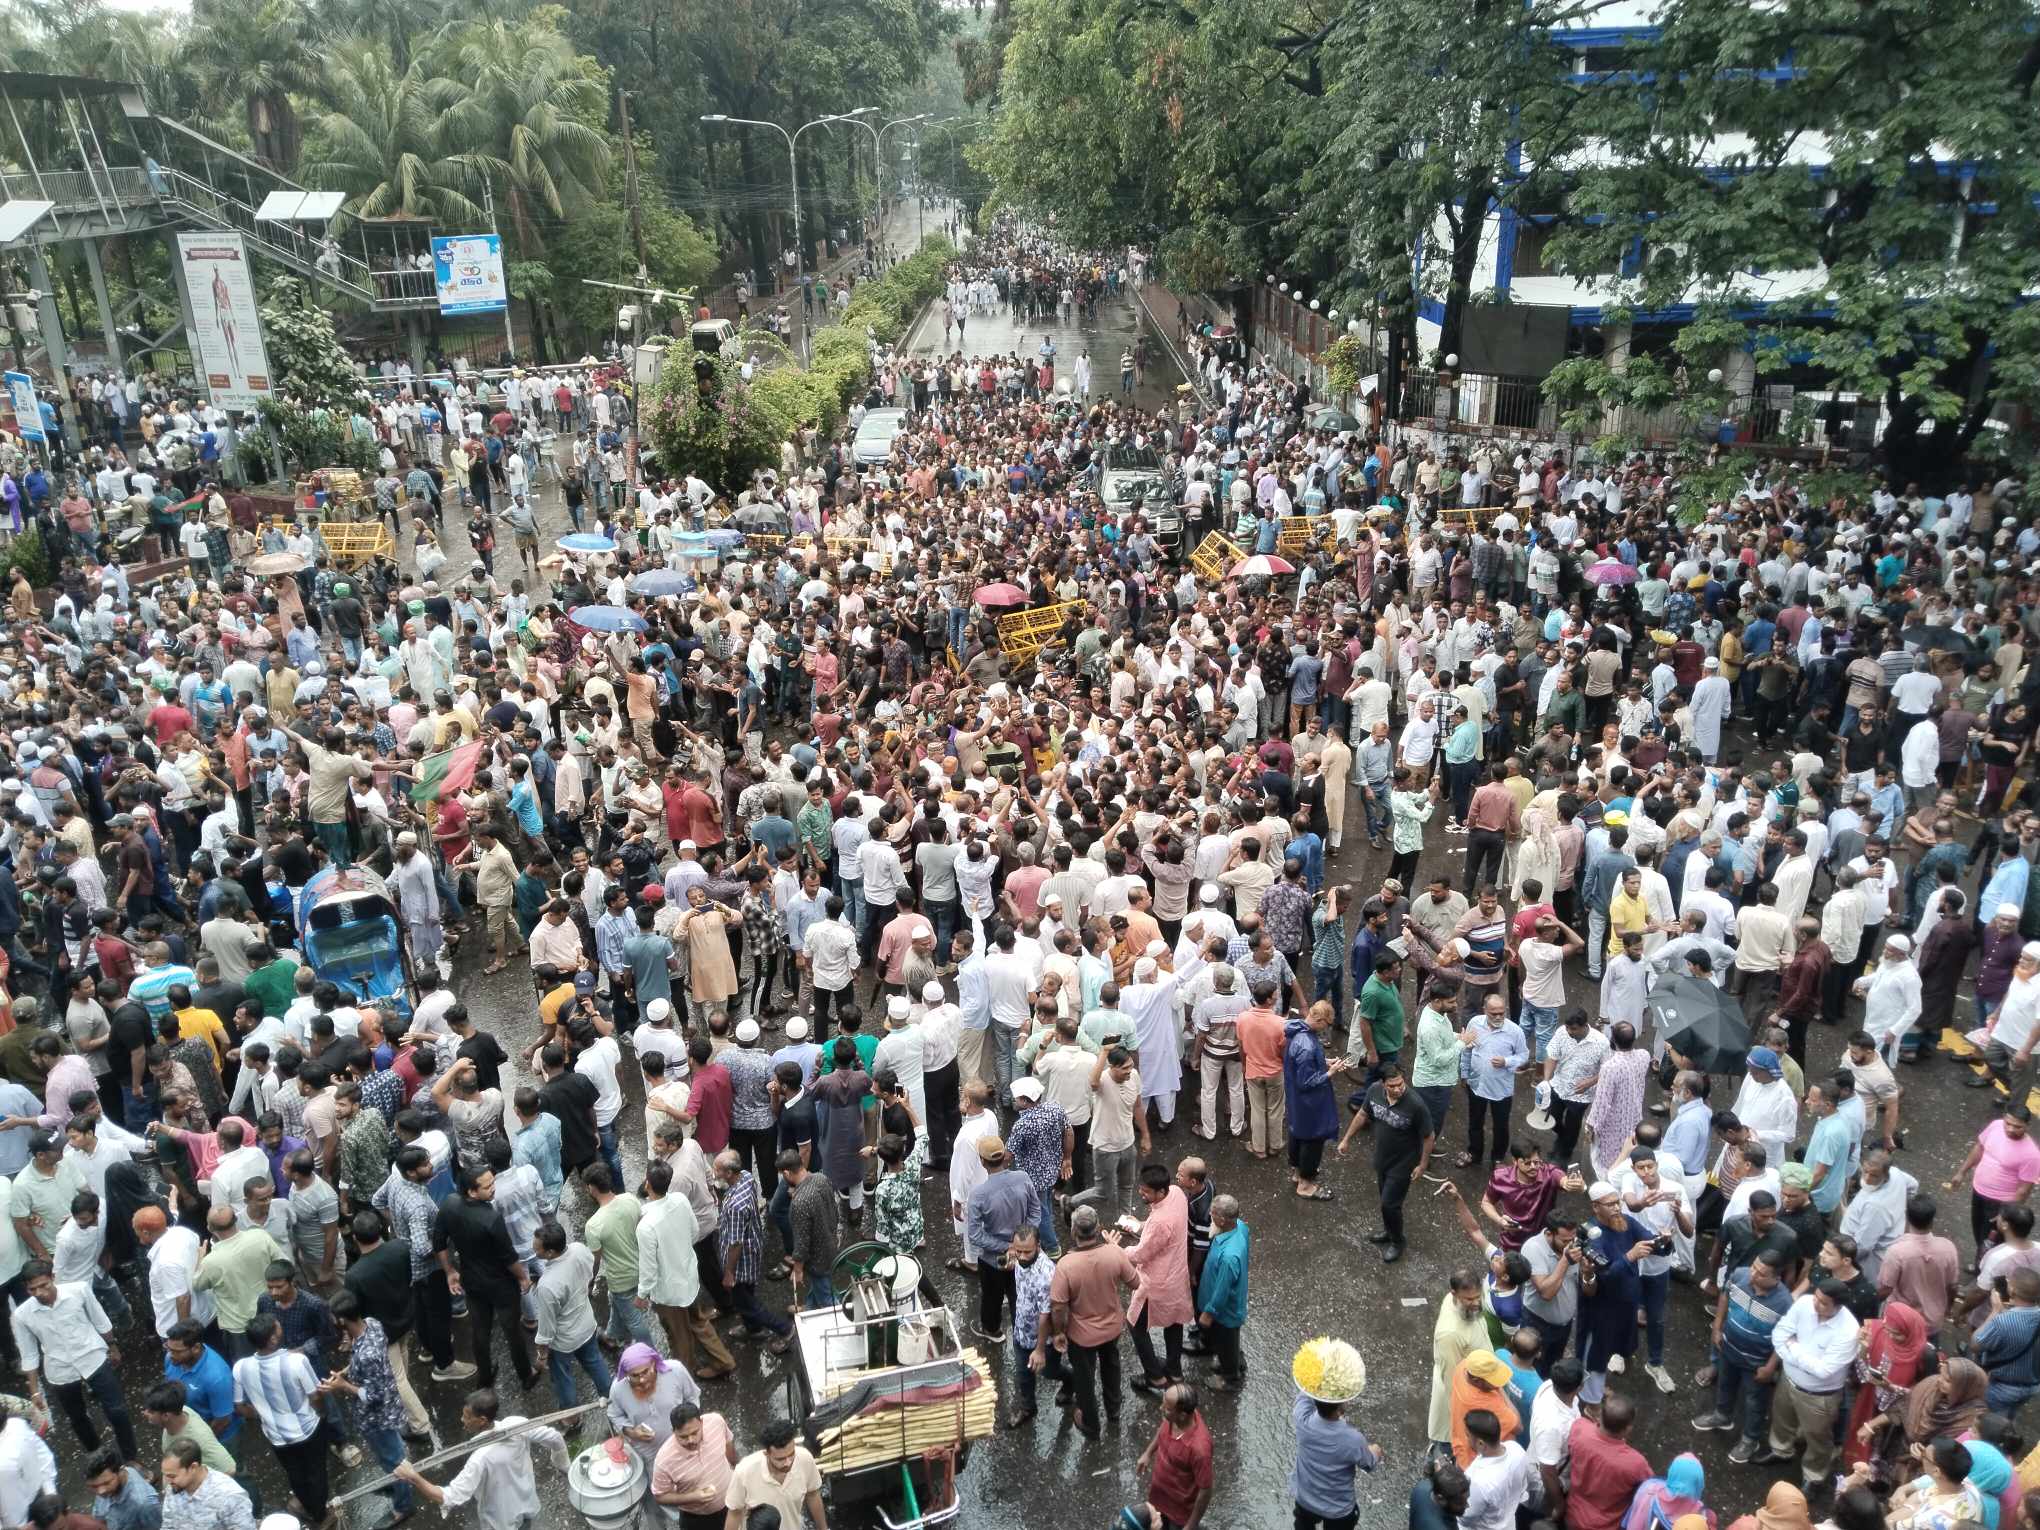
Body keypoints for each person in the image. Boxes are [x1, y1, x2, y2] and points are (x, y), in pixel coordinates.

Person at [393, 1387, 571, 1530]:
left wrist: (413, 1477)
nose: (462, 1420)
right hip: (527, 1504)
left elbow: (448, 1497)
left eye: (467, 1417)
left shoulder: (481, 1458)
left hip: (500, 1521)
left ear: (482, 1420)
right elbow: (554, 1437)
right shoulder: (516, 1423)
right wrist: (563, 1465)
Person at [1337, 1061, 1433, 1262]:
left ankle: (1397, 1241)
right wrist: (1346, 1139)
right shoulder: (1373, 1091)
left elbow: (1428, 1136)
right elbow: (1363, 1114)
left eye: (1400, 1084)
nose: (1397, 1089)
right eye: (1392, 1086)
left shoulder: (1415, 1104)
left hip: (1403, 1163)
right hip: (1382, 1158)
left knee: (1390, 1204)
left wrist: (1422, 1164)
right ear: (1382, 1084)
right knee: (1385, 1201)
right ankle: (1389, 1231)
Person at [1289, 1384, 1379, 1530]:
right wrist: (1375, 1452)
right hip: (1338, 1510)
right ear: (1341, 1407)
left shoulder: (1302, 1419)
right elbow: (1368, 1464)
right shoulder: (1353, 1439)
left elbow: (1305, 1391)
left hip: (1305, 1500)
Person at [1128, 1382, 1213, 1530]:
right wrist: (1148, 1453)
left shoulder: (1200, 1449)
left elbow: (1205, 1490)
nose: (1161, 1409)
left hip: (1179, 1512)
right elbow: (1164, 1428)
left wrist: (1190, 1525)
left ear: (1182, 1415)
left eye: (1167, 1408)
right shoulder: (1174, 1419)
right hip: (1159, 1498)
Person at [721, 1417, 827, 1530]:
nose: (788, 1462)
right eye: (780, 1459)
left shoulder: (805, 1459)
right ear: (766, 1453)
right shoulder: (744, 1472)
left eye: (791, 1455)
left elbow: (813, 1495)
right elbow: (734, 1513)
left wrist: (823, 1528)